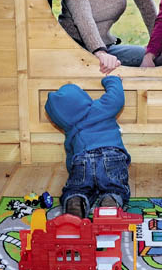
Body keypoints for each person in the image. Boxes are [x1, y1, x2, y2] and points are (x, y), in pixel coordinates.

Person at [44, 75, 130, 218]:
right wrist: (112, 80)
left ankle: (75, 200)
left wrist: (75, 173)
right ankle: (111, 201)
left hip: (82, 159)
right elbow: (116, 99)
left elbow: (71, 156)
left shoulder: (71, 129)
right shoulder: (99, 108)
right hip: (111, 156)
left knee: (77, 188)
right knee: (115, 187)